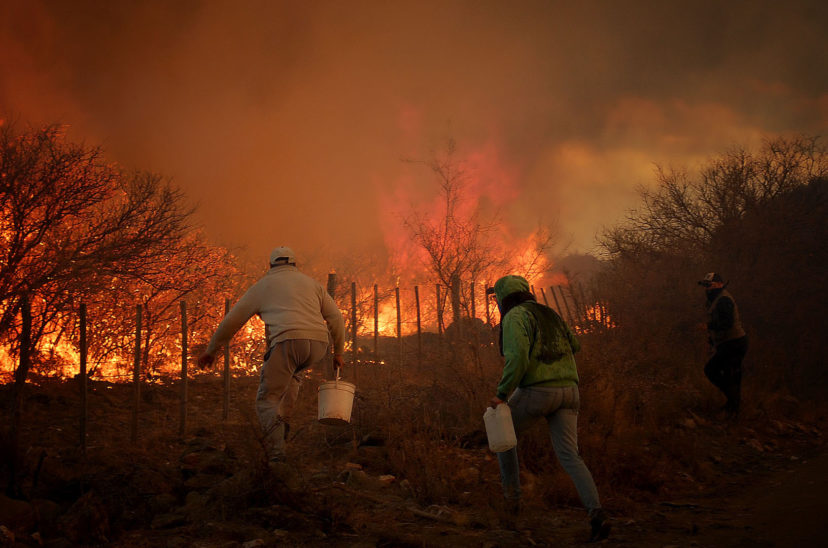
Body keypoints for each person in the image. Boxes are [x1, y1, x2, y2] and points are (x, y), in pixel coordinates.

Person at [488, 275, 610, 541]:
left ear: (503, 297)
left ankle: (512, 505)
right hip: (570, 392)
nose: (496, 301)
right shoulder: (549, 313)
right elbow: (575, 344)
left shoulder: (514, 317)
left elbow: (517, 357)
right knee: (570, 456)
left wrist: (501, 394)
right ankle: (596, 513)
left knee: (503, 438)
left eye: (496, 297)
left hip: (538, 391)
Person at [197, 246, 345, 462]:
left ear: (271, 266)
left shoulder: (262, 286)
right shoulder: (312, 284)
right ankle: (282, 428)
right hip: (317, 346)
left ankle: (276, 455)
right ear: (294, 264)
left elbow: (232, 321)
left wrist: (212, 350)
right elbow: (336, 318)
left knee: (266, 399)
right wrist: (339, 352)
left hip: (287, 342)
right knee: (291, 380)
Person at [698, 272, 748, 416]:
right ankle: (733, 407)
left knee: (712, 370)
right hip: (729, 343)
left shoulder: (723, 300)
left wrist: (708, 326)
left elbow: (726, 323)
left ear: (720, 284)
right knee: (729, 375)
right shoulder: (716, 299)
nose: (707, 288)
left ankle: (734, 404)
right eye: (705, 285)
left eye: (709, 285)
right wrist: (711, 341)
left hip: (734, 343)